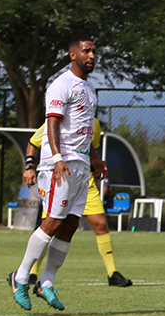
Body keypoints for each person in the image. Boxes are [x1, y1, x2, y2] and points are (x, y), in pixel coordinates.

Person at [8, 36, 105, 312]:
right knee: (53, 221)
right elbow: (52, 123)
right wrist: (59, 158)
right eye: (86, 51)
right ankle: (21, 276)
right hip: (58, 165)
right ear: (72, 55)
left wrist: (96, 159)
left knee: (72, 223)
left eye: (94, 51)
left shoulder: (90, 88)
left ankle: (47, 282)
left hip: (81, 164)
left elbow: (86, 130)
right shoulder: (61, 84)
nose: (92, 55)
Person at [22, 119, 132, 286]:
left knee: (100, 224)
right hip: (60, 180)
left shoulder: (93, 123)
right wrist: (29, 165)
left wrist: (96, 162)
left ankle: (112, 273)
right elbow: (33, 141)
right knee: (49, 226)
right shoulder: (59, 119)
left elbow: (90, 147)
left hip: (84, 182)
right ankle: (31, 272)